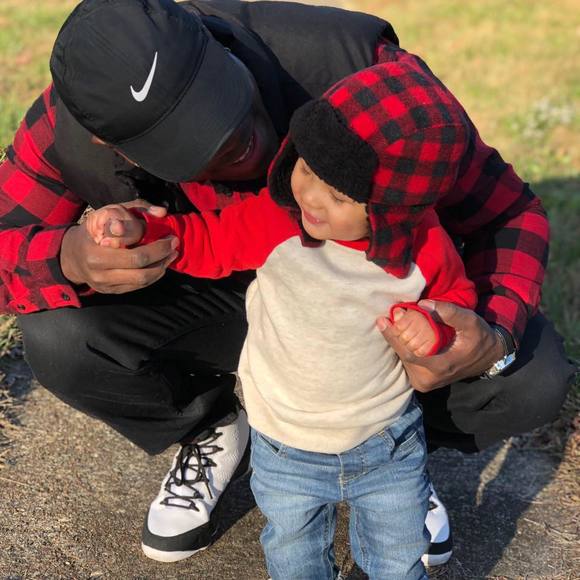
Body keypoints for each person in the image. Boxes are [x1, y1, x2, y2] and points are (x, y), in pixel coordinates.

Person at [0, 0, 573, 567]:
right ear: (110, 144)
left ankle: (393, 456)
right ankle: (213, 425)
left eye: (220, 98)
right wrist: (69, 258)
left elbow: (508, 212)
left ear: (211, 36)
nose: (235, 141)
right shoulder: (72, 121)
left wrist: (490, 335)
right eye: (187, 143)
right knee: (61, 337)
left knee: (528, 376)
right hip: (222, 293)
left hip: (374, 322)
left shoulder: (364, 73)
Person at [84, 59, 478, 579]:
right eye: (306, 169)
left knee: (398, 558)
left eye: (339, 196)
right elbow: (207, 240)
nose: (310, 195)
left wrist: (433, 324)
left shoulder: (423, 247)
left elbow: (457, 299)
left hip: (386, 440)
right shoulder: (280, 221)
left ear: (394, 210)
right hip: (284, 441)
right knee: (293, 555)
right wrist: (141, 231)